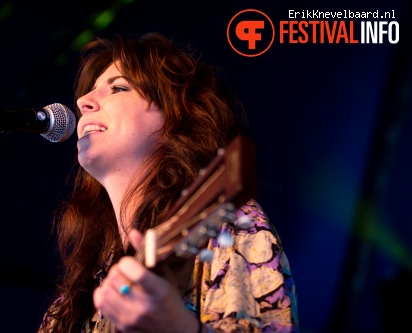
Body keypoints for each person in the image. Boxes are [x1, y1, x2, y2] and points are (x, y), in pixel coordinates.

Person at [38, 32, 299, 333]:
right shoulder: (81, 289)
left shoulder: (229, 223)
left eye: (118, 88)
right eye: (89, 92)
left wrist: (175, 326)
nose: (82, 101)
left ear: (175, 118)